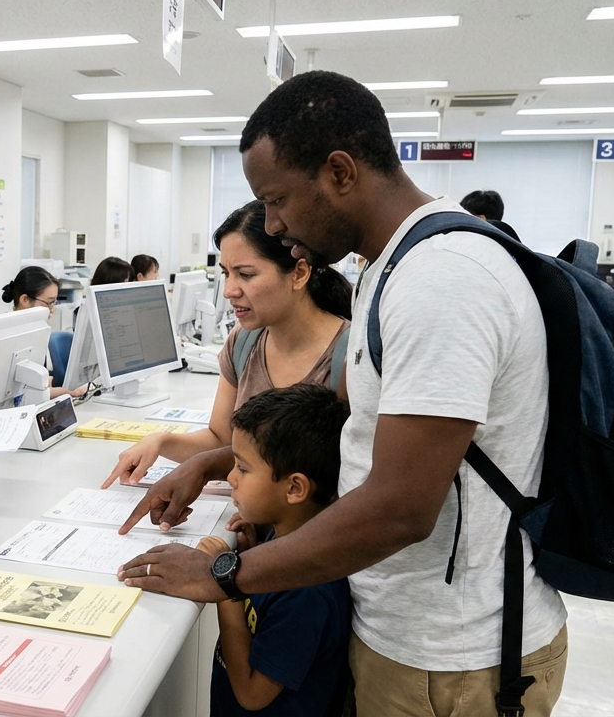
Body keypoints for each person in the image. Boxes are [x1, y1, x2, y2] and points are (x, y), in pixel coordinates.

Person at [116, 71, 567, 717]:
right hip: (408, 633)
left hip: (454, 659)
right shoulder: (393, 268)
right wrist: (224, 473)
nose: (272, 221)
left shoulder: (441, 281)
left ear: (340, 173)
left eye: (276, 200)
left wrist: (226, 574)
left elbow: (401, 508)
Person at [102, 199, 352, 489]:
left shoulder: (349, 355)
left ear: (298, 273)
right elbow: (222, 440)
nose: (230, 290)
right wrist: (161, 441)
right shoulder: (244, 341)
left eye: (246, 274)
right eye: (226, 273)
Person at [195, 385, 351, 717]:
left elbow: (253, 695)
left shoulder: (308, 592)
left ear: (294, 488)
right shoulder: (284, 536)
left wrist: (226, 589)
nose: (230, 477)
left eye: (243, 468)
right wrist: (251, 553)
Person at [1, 267, 86, 400]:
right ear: (25, 300)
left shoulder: (39, 330)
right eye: (49, 302)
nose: (52, 309)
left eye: (54, 302)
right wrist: (57, 392)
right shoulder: (4, 336)